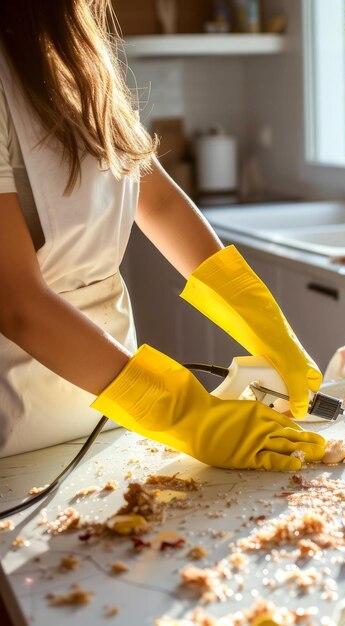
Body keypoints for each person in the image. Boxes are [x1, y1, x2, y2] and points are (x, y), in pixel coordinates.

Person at [0, 0, 325, 471]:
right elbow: (17, 303)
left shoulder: (77, 56)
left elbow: (157, 200)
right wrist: (186, 413)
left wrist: (263, 323)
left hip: (114, 412)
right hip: (16, 432)